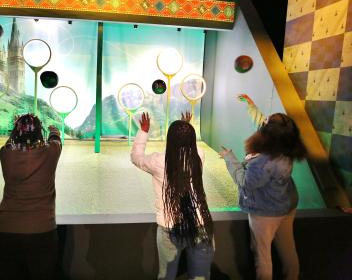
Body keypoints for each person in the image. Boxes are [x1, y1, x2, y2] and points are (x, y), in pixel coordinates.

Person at [219, 95, 306, 280]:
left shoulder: (263, 160)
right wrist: (251, 104)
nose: (263, 121)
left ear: (269, 134)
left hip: (265, 213)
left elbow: (246, 182)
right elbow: (263, 122)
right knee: (289, 250)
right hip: (286, 207)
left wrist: (230, 158)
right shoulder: (286, 144)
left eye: (266, 122)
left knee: (262, 255)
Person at [131, 112, 214, 280]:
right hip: (200, 224)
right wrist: (186, 126)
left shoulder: (157, 161)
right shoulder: (199, 156)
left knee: (167, 276)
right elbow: (188, 145)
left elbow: (136, 157)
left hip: (170, 226)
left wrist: (143, 131)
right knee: (200, 277)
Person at [0, 114, 62, 280]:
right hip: (42, 231)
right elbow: (56, 137)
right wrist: (53, 128)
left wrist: (18, 125)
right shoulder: (51, 152)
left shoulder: (5, 153)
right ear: (40, 132)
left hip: (6, 230)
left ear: (16, 132)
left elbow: (11, 142)